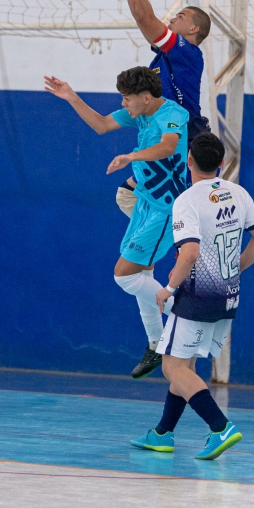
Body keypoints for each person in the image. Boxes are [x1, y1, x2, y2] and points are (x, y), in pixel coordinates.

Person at [131, 132, 254, 460]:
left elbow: (190, 253)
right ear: (221, 163)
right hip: (227, 296)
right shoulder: (238, 193)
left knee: (172, 367)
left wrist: (169, 288)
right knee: (186, 364)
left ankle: (220, 427)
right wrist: (235, 268)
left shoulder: (187, 200)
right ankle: (163, 433)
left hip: (196, 298)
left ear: (189, 161)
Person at [44, 67, 189, 378]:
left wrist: (130, 157)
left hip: (166, 209)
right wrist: (72, 97)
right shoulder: (139, 114)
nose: (123, 103)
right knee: (142, 275)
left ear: (146, 98)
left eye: (127, 98)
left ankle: (188, 314)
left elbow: (168, 146)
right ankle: (156, 343)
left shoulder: (173, 113)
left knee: (124, 276)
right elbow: (102, 125)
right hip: (145, 205)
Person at [112, 0, 212, 218]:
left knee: (187, 214)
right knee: (128, 196)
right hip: (161, 137)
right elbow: (141, 18)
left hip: (184, 141)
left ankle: (176, 240)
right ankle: (157, 241)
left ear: (193, 29)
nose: (171, 19)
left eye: (180, 16)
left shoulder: (188, 52)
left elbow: (145, 18)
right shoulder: (163, 58)